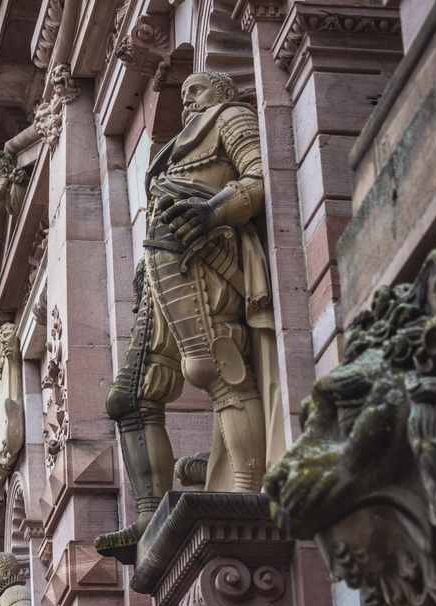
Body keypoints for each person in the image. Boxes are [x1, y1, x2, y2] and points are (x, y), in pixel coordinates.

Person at [96, 71, 277, 563]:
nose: (187, 99)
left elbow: (262, 179)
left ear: (222, 91)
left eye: (197, 89)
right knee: (129, 397)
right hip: (161, 265)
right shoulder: (173, 152)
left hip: (207, 255)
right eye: (184, 92)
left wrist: (213, 213)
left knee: (216, 370)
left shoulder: (232, 117)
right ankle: (148, 516)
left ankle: (247, 486)